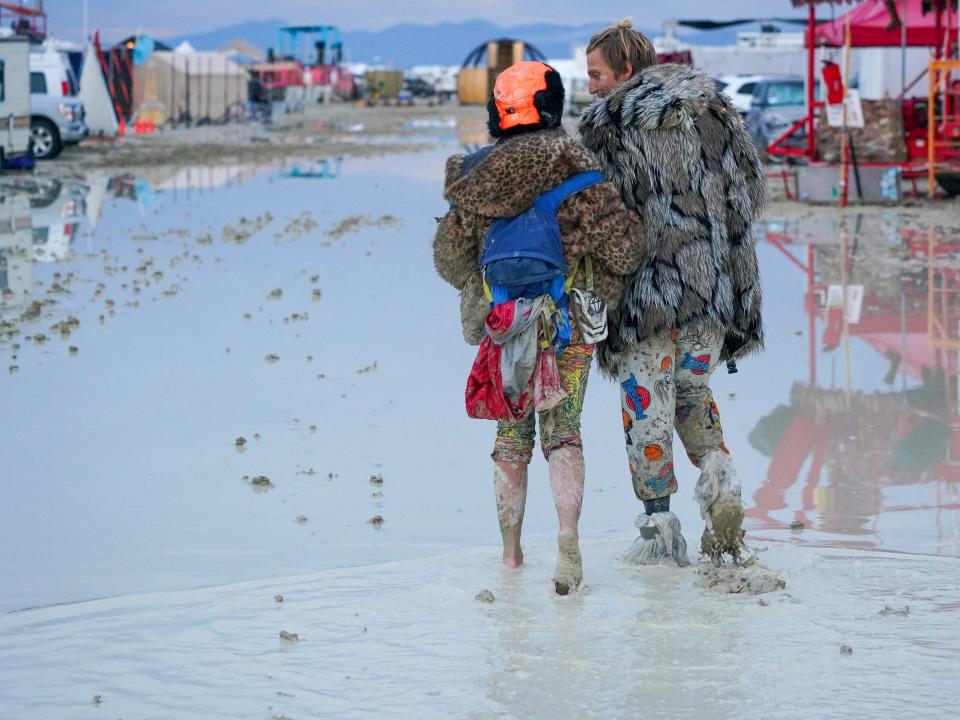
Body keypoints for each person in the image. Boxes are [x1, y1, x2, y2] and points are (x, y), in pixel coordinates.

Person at [433, 61, 644, 594]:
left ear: (496, 111)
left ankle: (509, 557)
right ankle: (568, 541)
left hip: (502, 326)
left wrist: (491, 292)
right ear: (552, 105)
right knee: (564, 431)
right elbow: (625, 249)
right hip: (567, 323)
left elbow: (449, 260)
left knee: (510, 437)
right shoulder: (579, 167)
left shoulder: (474, 175)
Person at [577, 20, 766, 564]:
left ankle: (660, 528)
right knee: (692, 395)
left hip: (646, 300)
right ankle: (720, 480)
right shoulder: (717, 113)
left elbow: (598, 221)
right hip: (712, 293)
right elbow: (748, 194)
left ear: (626, 71)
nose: (590, 87)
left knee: (646, 409)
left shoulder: (609, 126)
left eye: (596, 75)